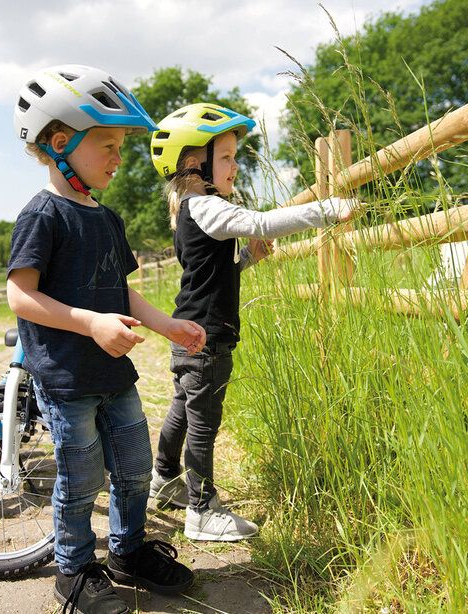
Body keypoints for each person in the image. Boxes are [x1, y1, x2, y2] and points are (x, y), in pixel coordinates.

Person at [6, 65, 206, 614]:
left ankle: (128, 551)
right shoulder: (42, 215)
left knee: (135, 467)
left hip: (115, 375)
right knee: (81, 477)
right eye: (110, 145)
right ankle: (72, 571)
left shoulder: (109, 219)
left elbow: (123, 293)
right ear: (62, 142)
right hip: (68, 377)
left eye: (121, 146)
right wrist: (90, 323)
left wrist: (168, 325)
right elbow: (21, 298)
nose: (120, 157)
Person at [147, 103, 358, 541]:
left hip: (190, 327)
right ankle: (202, 510)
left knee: (183, 411)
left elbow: (210, 274)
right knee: (203, 421)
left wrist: (245, 260)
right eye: (225, 157)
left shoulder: (193, 210)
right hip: (206, 337)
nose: (235, 166)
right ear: (194, 163)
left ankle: (163, 480)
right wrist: (328, 209)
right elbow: (260, 221)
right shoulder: (205, 206)